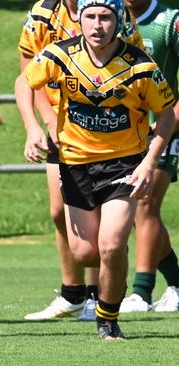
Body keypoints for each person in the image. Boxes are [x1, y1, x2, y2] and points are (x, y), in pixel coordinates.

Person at [16, 0, 176, 340]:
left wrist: (149, 161)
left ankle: (107, 318)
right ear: (81, 19)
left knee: (112, 243)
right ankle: (106, 276)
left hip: (125, 162)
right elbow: (23, 82)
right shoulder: (60, 54)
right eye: (90, 16)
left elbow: (166, 115)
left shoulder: (140, 66)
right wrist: (33, 127)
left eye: (105, 16)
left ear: (118, 20)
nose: (97, 24)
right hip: (75, 163)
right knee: (86, 253)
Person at [119, 0, 179, 313]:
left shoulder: (169, 21)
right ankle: (177, 282)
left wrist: (168, 122)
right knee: (128, 207)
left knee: (145, 202)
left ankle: (141, 292)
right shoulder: (107, 16)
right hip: (121, 133)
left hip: (165, 130)